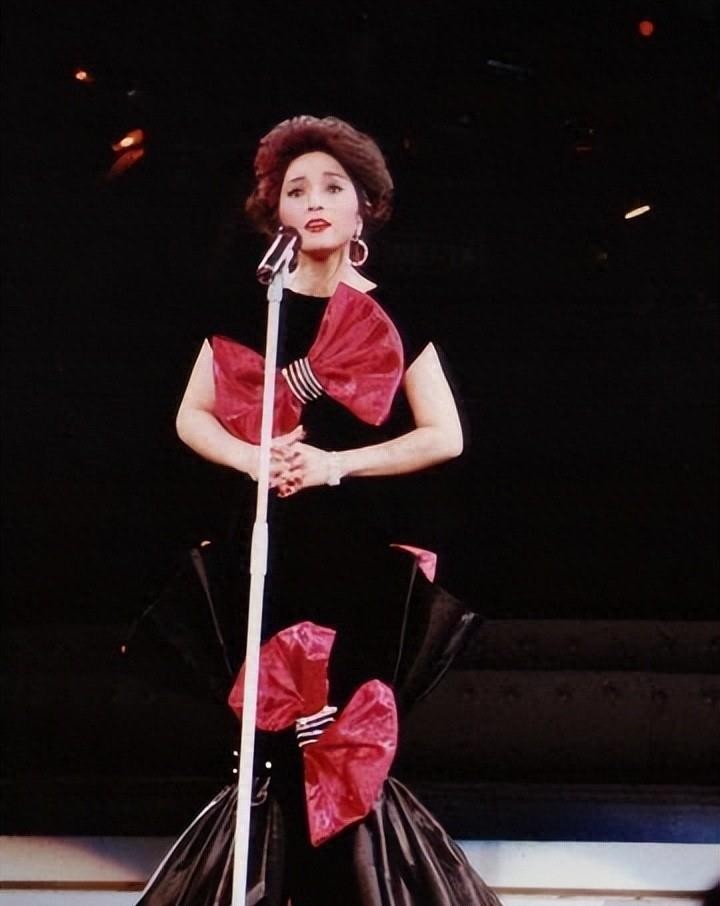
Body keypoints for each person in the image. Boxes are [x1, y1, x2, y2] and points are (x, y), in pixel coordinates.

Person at [136, 115, 502, 906]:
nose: (314, 202)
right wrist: (253, 458)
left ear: (362, 205)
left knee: (340, 738)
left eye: (332, 187)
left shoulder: (395, 312)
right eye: (297, 190)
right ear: (276, 211)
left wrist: (336, 464)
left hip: (360, 553)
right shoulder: (253, 308)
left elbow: (444, 435)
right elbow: (191, 415)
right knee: (268, 740)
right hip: (269, 546)